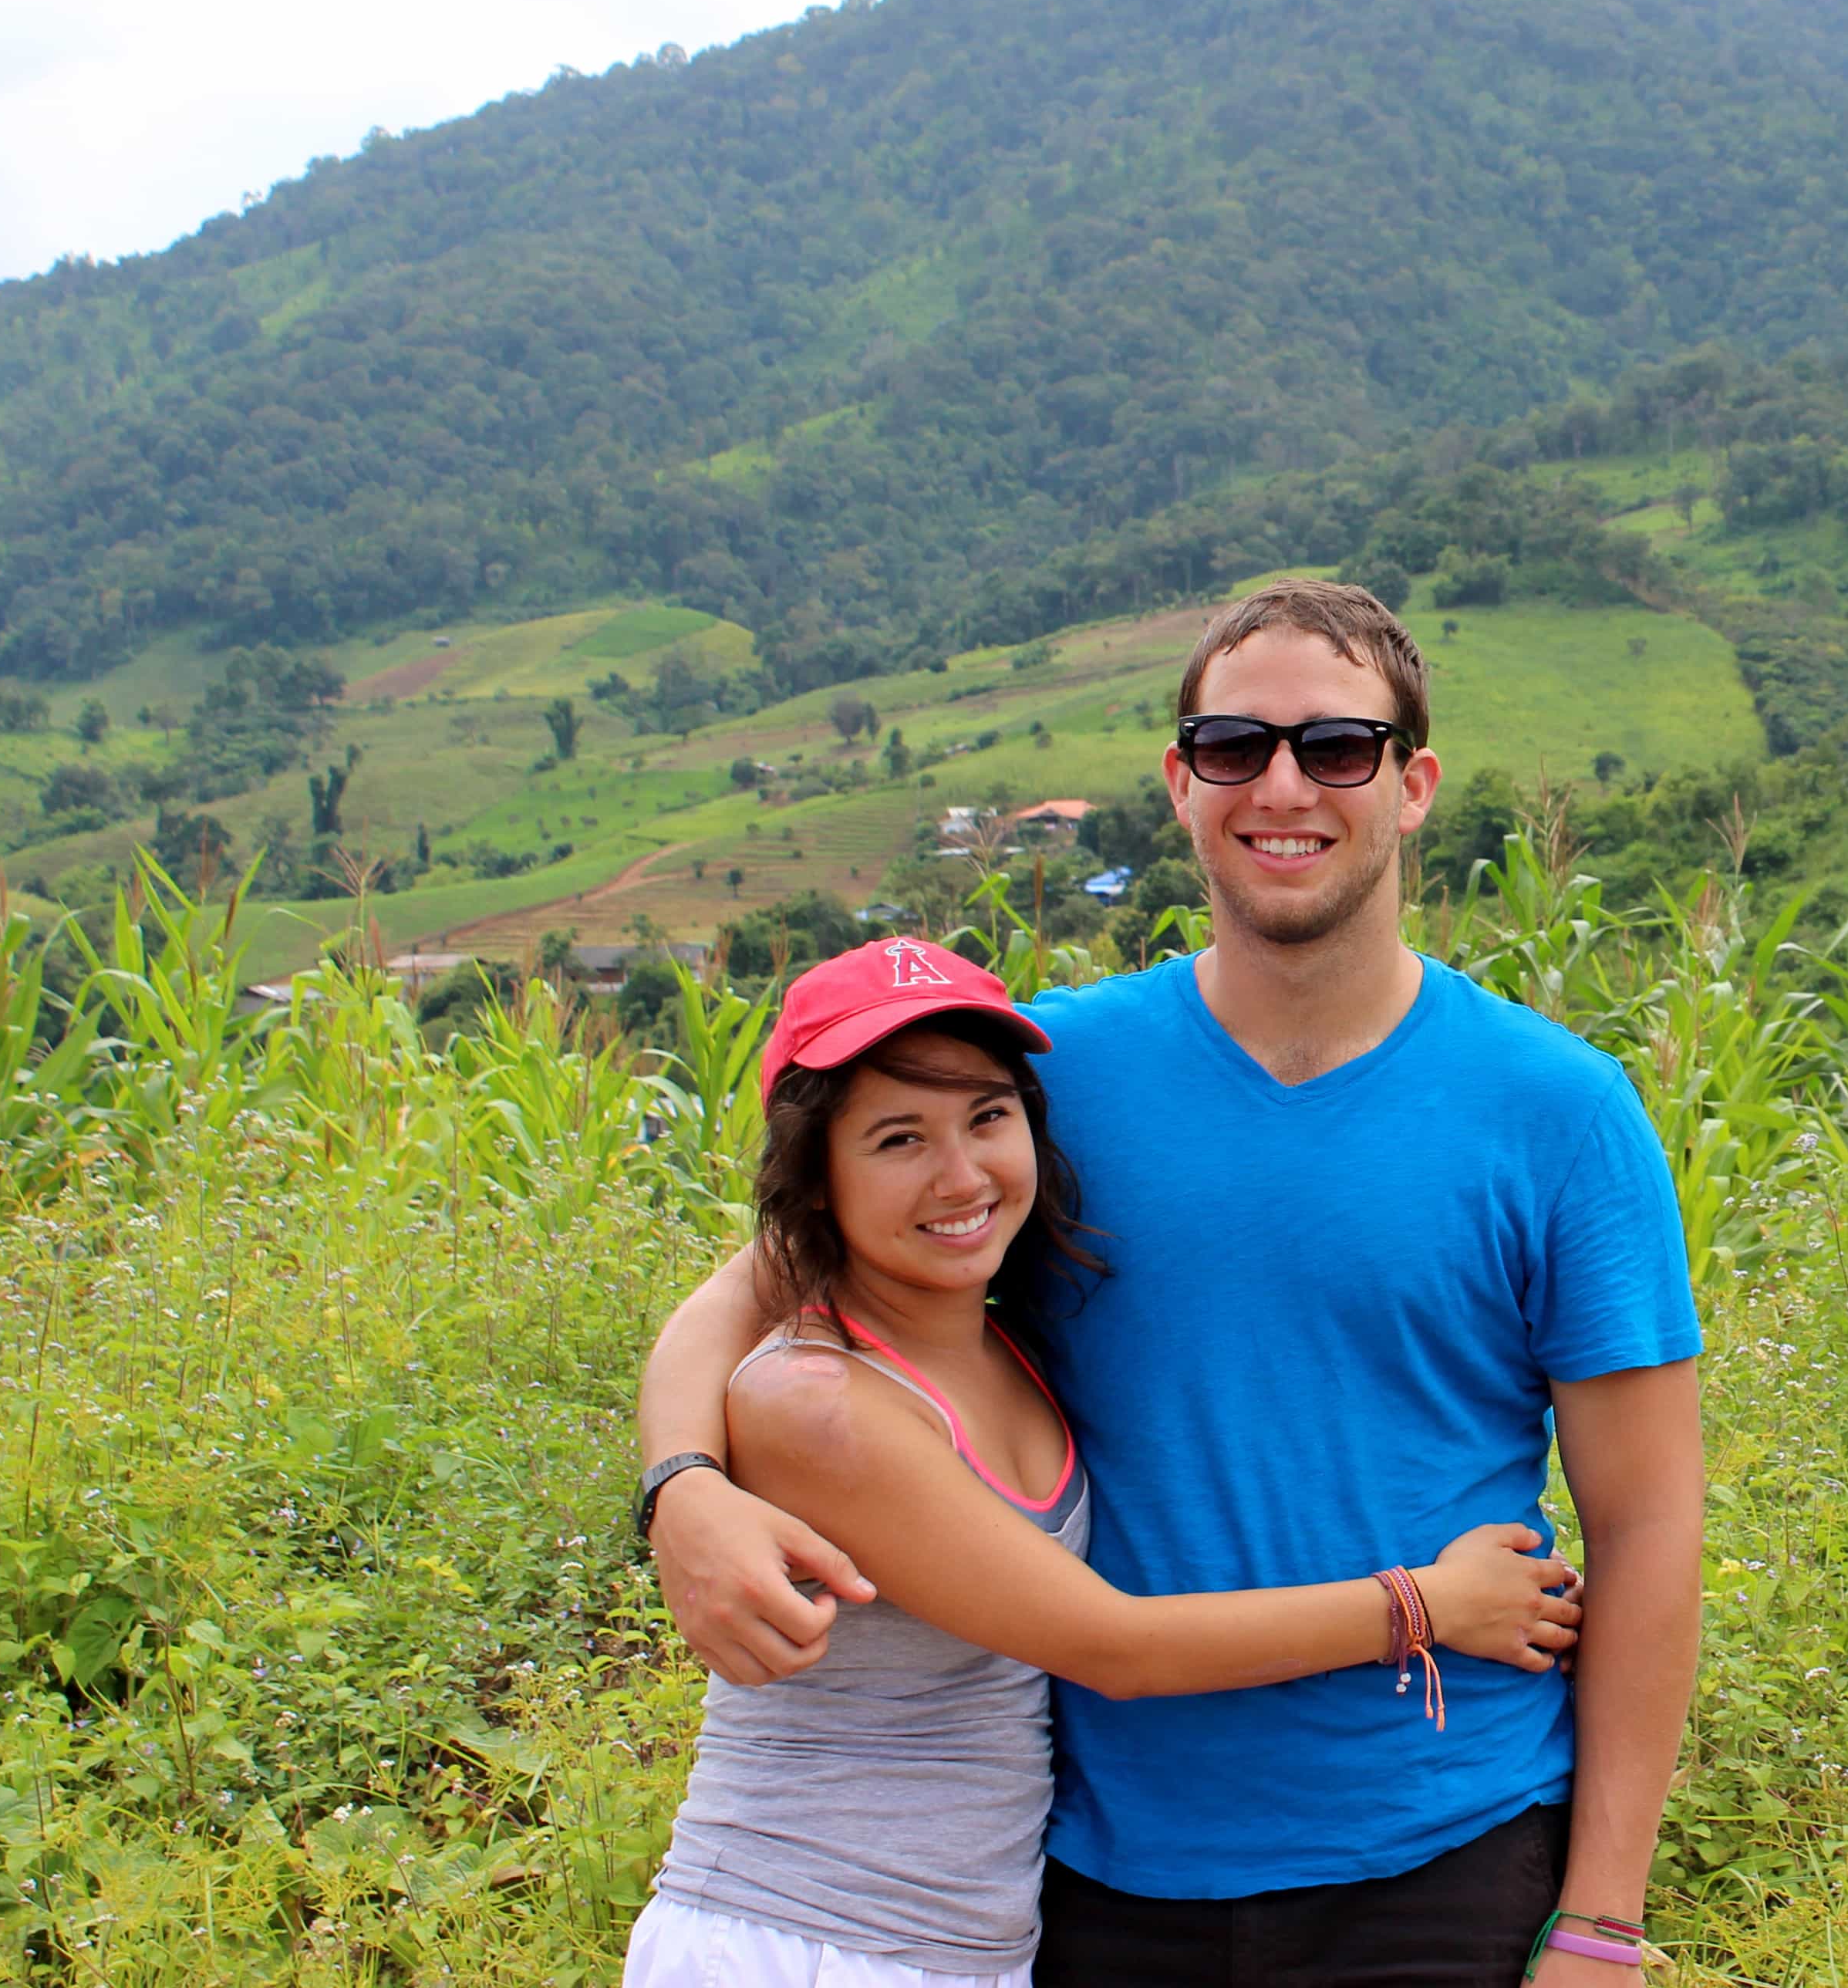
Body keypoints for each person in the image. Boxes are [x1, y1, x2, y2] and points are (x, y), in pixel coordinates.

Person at [642, 579, 1706, 1988]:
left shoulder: (1560, 1114)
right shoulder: (1038, 1086)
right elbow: (750, 1291)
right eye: (1234, 746)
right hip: (1095, 1871)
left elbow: (1648, 1527)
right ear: (1181, 783)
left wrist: (1604, 1921)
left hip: (1445, 1848)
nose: (1284, 786)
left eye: (1337, 748)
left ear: (1414, 785)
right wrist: (681, 1491)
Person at [627, 935, 1587, 1988]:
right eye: (897, 1138)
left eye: (987, 1118)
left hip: (965, 1944)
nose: (959, 1175)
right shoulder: (818, 1400)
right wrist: (1429, 1606)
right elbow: (1112, 1648)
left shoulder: (997, 1338)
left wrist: (682, 1483)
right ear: (815, 1182)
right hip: (803, 1937)